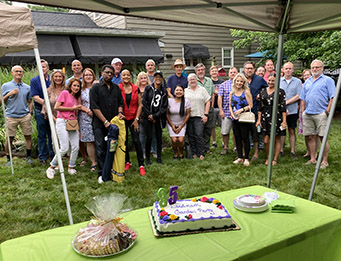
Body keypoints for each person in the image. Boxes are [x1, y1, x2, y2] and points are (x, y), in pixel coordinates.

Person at [90, 65, 124, 183]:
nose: (109, 75)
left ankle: (112, 170)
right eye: (107, 72)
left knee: (113, 148)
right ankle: (102, 173)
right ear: (102, 73)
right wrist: (105, 122)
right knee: (101, 149)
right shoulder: (95, 88)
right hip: (100, 124)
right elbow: (94, 107)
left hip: (114, 125)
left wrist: (120, 113)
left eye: (111, 73)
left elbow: (120, 103)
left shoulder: (116, 88)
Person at [300, 60, 335, 168]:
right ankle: (313, 158)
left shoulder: (328, 80)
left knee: (322, 137)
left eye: (317, 67)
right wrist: (303, 111)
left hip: (321, 113)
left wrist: (327, 111)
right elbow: (302, 97)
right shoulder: (308, 81)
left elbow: (332, 97)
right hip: (308, 113)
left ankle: (324, 161)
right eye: (313, 67)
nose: (315, 69)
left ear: (322, 68)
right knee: (310, 136)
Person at [45, 78, 82, 179]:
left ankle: (71, 167)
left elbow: (76, 112)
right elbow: (57, 107)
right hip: (62, 122)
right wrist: (72, 109)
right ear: (70, 86)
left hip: (72, 123)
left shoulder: (76, 98)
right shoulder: (65, 93)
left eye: (78, 86)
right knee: (64, 148)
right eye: (74, 85)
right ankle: (51, 167)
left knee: (75, 146)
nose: (76, 88)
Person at [2, 65, 33, 166]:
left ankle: (28, 157)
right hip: (11, 115)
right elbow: (0, 102)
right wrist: (9, 94)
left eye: (20, 71)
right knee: (10, 138)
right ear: (12, 73)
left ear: (23, 73)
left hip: (24, 116)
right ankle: (8, 159)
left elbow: (30, 101)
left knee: (28, 136)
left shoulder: (27, 87)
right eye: (16, 71)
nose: (19, 73)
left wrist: (30, 113)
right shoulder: (6, 86)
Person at [118, 69, 145, 176]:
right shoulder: (118, 88)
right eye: (124, 75)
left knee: (136, 141)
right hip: (123, 119)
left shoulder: (135, 88)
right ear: (121, 77)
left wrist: (136, 119)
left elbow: (140, 105)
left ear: (130, 76)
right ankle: (127, 162)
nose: (126, 76)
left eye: (128, 75)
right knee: (124, 141)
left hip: (134, 119)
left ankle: (141, 165)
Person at [256, 74, 287, 165]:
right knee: (266, 140)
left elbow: (283, 107)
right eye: (269, 80)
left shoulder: (280, 92)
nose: (270, 82)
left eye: (273, 80)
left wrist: (284, 121)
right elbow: (260, 107)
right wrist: (258, 120)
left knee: (277, 139)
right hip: (265, 117)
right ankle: (268, 157)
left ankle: (275, 159)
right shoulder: (262, 91)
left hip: (277, 116)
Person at [30, 59, 54, 165]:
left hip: (53, 111)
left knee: (52, 134)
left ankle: (53, 155)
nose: (42, 69)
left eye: (44, 67)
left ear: (47, 68)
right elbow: (35, 97)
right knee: (42, 134)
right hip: (40, 111)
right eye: (40, 67)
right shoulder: (34, 80)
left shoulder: (52, 80)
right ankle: (43, 157)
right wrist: (47, 103)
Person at [142, 71, 168, 165]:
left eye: (159, 77)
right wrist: (149, 115)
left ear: (162, 79)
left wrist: (155, 116)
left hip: (158, 118)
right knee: (148, 137)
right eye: (156, 77)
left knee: (158, 138)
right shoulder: (148, 88)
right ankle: (148, 158)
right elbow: (144, 102)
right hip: (148, 117)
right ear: (153, 78)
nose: (158, 79)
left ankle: (159, 157)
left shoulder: (164, 91)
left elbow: (164, 106)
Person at [243, 61, 268, 161]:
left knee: (255, 133)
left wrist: (261, 94)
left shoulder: (259, 79)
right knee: (244, 133)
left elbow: (268, 90)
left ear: (254, 69)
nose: (249, 70)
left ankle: (256, 153)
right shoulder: (241, 79)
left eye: (251, 68)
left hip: (256, 110)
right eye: (247, 68)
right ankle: (245, 153)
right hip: (243, 110)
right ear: (244, 69)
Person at [229, 73, 253, 166]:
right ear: (234, 82)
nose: (239, 83)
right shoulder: (232, 93)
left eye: (241, 81)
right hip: (235, 119)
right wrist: (232, 114)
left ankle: (246, 158)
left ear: (243, 83)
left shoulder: (246, 92)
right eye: (237, 81)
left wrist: (241, 110)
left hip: (244, 118)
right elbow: (230, 105)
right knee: (237, 137)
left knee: (245, 137)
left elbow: (251, 105)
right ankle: (239, 157)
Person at [184, 73, 210, 160]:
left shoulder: (202, 90)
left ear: (196, 80)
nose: (192, 81)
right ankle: (194, 153)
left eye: (194, 79)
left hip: (199, 116)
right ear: (188, 81)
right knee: (191, 135)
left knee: (199, 135)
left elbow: (208, 102)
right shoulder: (185, 91)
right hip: (188, 117)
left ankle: (201, 153)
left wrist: (206, 114)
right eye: (190, 79)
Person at [279, 62, 302, 158]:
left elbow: (298, 95)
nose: (288, 70)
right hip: (280, 111)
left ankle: (292, 151)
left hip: (292, 110)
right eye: (286, 68)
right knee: (281, 130)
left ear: (292, 70)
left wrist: (286, 103)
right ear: (283, 70)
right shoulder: (279, 81)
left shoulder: (297, 82)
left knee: (292, 130)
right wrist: (282, 106)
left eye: (290, 68)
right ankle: (280, 150)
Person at [79, 68, 97, 172]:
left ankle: (100, 159)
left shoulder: (97, 87)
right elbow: (77, 103)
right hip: (85, 117)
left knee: (98, 139)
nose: (88, 77)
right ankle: (93, 162)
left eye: (90, 75)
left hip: (97, 116)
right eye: (86, 75)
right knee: (89, 141)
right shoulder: (81, 89)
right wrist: (86, 110)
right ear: (83, 77)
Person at [136, 71, 157, 157]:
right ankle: (143, 151)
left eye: (145, 78)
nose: (143, 79)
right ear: (139, 80)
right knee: (142, 133)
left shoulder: (151, 88)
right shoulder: (136, 89)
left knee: (153, 133)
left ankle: (154, 150)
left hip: (151, 113)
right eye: (141, 78)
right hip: (141, 114)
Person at [166, 85, 191, 159]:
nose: (178, 92)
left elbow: (188, 114)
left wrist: (181, 126)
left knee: (180, 140)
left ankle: (181, 152)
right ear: (174, 92)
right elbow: (167, 114)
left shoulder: (186, 101)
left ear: (183, 92)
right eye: (177, 90)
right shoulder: (169, 101)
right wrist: (172, 125)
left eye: (180, 90)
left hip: (182, 123)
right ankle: (175, 153)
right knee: (174, 140)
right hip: (171, 123)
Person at [299, 69, 319, 158]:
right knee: (306, 133)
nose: (306, 76)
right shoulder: (302, 85)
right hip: (304, 111)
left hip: (315, 110)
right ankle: (308, 151)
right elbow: (301, 98)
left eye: (308, 75)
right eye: (304, 75)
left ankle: (315, 152)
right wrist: (302, 111)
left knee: (315, 133)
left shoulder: (315, 84)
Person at [195, 63, 215, 154]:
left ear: (204, 70)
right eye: (198, 70)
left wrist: (212, 106)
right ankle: (199, 148)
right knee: (199, 129)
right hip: (198, 108)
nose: (200, 71)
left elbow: (212, 94)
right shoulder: (193, 80)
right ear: (196, 71)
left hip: (209, 107)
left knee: (208, 129)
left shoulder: (209, 81)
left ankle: (206, 148)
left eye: (202, 70)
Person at [218, 67, 238, 155]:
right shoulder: (223, 85)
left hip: (237, 113)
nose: (233, 74)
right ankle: (225, 147)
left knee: (236, 132)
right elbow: (220, 98)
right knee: (225, 131)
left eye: (234, 72)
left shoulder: (241, 84)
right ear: (228, 74)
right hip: (226, 112)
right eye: (231, 72)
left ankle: (236, 147)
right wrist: (221, 110)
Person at [210, 65, 224, 149]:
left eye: (215, 71)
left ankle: (223, 141)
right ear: (210, 73)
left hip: (220, 107)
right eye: (212, 71)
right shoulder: (208, 81)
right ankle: (214, 142)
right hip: (212, 106)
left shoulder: (221, 82)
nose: (214, 72)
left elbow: (222, 93)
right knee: (212, 126)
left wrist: (216, 92)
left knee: (222, 125)